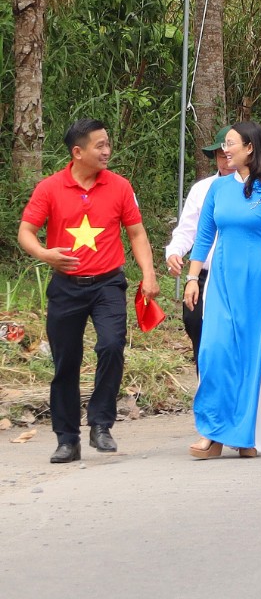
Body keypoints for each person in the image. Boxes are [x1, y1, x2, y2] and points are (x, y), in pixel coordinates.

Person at [19, 119, 160, 464]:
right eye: (100, 146)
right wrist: (43, 253)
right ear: (78, 152)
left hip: (108, 284)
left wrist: (149, 274)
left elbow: (137, 234)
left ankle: (101, 424)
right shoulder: (50, 188)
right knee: (66, 362)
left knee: (111, 346)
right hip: (66, 287)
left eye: (108, 144)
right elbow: (26, 231)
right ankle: (67, 439)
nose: (107, 151)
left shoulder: (120, 187)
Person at [183, 121, 261, 459]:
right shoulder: (217, 189)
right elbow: (204, 237)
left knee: (249, 356)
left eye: (230, 144)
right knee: (214, 352)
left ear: (250, 148)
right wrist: (192, 278)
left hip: (258, 280)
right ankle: (212, 432)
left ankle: (243, 435)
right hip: (221, 277)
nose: (225, 150)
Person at [166, 125, 233, 371]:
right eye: (220, 155)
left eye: (229, 154)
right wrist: (174, 251)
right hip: (203, 275)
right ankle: (207, 388)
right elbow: (187, 230)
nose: (226, 161)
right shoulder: (202, 189)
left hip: (236, 276)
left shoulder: (258, 189)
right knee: (195, 324)